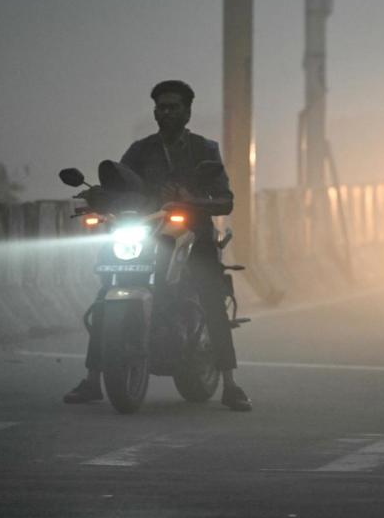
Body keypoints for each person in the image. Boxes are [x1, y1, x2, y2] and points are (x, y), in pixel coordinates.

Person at [64, 80, 252, 411]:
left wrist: (191, 200)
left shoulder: (203, 150)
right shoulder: (141, 150)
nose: (164, 112)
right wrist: (97, 197)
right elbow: (119, 183)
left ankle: (230, 383)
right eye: (160, 107)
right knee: (106, 289)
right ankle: (94, 379)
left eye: (172, 107)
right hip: (144, 233)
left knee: (210, 295)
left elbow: (224, 198)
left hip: (192, 235)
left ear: (187, 111)